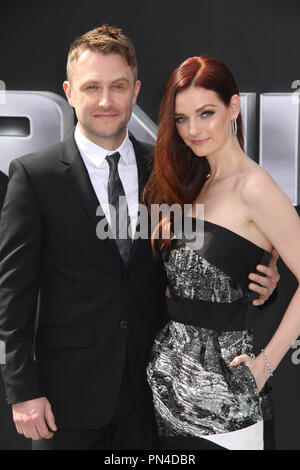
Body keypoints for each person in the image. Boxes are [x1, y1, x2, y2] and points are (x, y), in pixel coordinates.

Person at [0, 27, 278, 450]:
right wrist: (22, 389)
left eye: (118, 86)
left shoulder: (169, 173)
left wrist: (261, 279)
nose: (106, 101)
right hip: (65, 399)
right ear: (69, 92)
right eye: (92, 87)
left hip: (156, 396)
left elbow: (205, 259)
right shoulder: (34, 176)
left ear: (136, 91)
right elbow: (12, 293)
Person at [145, 55, 300, 450]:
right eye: (181, 119)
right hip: (168, 394)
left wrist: (263, 367)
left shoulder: (255, 187)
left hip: (226, 405)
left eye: (206, 113)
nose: (193, 130)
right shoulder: (192, 184)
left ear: (233, 107)